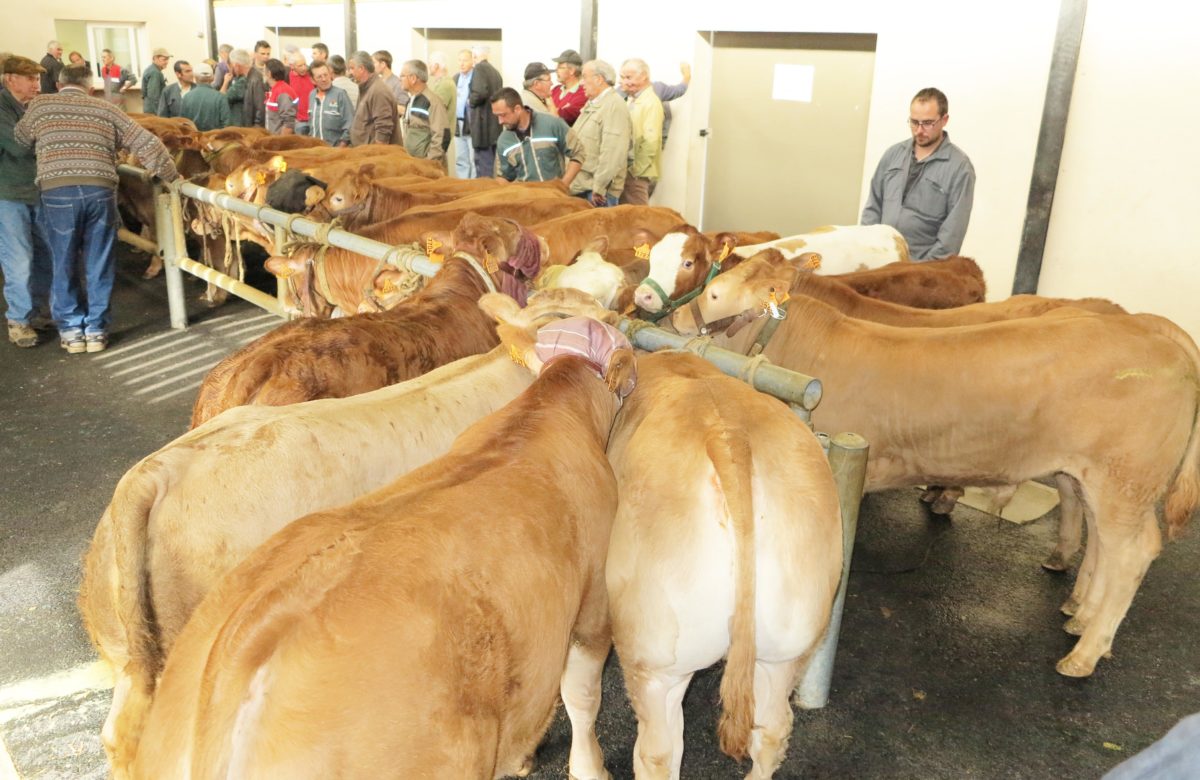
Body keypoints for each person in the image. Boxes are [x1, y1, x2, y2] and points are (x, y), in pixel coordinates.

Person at [15, 63, 179, 354]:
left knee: (62, 260)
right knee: (99, 261)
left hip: (57, 192)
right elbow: (149, 144)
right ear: (90, 89)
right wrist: (173, 179)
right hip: (99, 191)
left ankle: (71, 332)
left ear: (59, 85)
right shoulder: (106, 109)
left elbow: (20, 139)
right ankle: (96, 331)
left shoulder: (41, 105)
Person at [861, 87, 975, 260]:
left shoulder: (960, 167)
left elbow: (953, 234)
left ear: (944, 120)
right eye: (914, 122)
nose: (919, 131)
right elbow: (873, 207)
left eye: (928, 123)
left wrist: (923, 270)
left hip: (921, 268)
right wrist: (868, 249)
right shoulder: (893, 155)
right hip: (881, 262)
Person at [0, 55, 52, 349]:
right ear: (11, 79)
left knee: (46, 254)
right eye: (30, 78)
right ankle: (18, 320)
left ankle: (40, 312)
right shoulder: (2, 108)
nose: (37, 85)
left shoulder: (28, 108)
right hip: (9, 195)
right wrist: (46, 139)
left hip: (36, 191)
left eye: (37, 79)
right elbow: (18, 145)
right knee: (18, 259)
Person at [569, 59, 631, 208]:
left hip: (597, 194)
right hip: (582, 187)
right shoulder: (594, 104)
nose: (581, 83)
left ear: (598, 79)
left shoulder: (614, 106)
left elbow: (612, 152)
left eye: (584, 77)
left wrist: (599, 187)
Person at [491, 87, 581, 186]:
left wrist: (563, 185)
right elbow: (503, 176)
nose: (500, 121)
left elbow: (578, 153)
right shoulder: (503, 140)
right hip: (525, 195)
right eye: (497, 116)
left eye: (503, 115)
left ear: (517, 109)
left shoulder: (553, 124)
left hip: (554, 193)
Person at [618, 58, 663, 206]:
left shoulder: (651, 102)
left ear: (644, 76)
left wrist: (635, 171)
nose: (623, 81)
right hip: (629, 170)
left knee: (638, 215)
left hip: (637, 174)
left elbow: (651, 141)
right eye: (622, 77)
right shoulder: (631, 99)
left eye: (628, 77)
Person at [398, 60, 449, 162]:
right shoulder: (411, 100)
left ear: (413, 78)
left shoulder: (433, 102)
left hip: (428, 167)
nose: (399, 79)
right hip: (413, 164)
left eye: (402, 75)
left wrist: (429, 162)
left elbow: (443, 136)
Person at [348, 51, 399, 146]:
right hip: (364, 151)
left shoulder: (378, 91)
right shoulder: (366, 88)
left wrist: (376, 153)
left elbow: (383, 129)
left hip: (375, 153)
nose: (350, 72)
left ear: (361, 69)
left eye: (352, 68)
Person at [466, 45, 503, 177]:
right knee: (491, 166)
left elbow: (480, 93)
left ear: (475, 56)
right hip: (494, 127)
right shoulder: (496, 72)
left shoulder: (479, 69)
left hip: (482, 128)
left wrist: (470, 101)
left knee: (483, 170)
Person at [307, 61, 351, 146]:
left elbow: (350, 125)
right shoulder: (312, 95)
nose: (324, 79)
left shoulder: (340, 94)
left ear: (330, 75)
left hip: (334, 149)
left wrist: (340, 148)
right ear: (312, 80)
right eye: (319, 77)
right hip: (315, 149)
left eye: (326, 75)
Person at [180, 61, 229, 131]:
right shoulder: (220, 97)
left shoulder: (187, 97)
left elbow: (183, 124)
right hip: (214, 137)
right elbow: (226, 124)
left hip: (194, 137)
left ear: (195, 77)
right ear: (212, 78)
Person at [453, 49, 475, 178]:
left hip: (471, 124)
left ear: (472, 61)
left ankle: (473, 185)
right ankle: (463, 184)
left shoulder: (476, 78)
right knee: (460, 159)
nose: (462, 63)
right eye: (459, 60)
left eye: (465, 60)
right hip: (457, 123)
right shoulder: (455, 78)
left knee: (473, 159)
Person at [551, 49, 586, 126]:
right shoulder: (555, 90)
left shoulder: (583, 93)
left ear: (572, 71)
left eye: (560, 67)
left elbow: (565, 115)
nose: (556, 70)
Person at [263, 58, 297, 135]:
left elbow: (288, 124)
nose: (262, 74)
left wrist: (281, 140)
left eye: (263, 71)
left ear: (269, 73)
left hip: (279, 140)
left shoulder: (282, 92)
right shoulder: (275, 89)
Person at [372, 50, 409, 118]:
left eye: (374, 63)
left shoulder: (398, 83)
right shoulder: (376, 82)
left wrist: (383, 104)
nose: (372, 66)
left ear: (383, 64)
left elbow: (404, 110)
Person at [287, 51, 315, 135]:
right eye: (300, 66)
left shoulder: (311, 75)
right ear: (292, 66)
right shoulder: (287, 78)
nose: (304, 68)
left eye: (304, 64)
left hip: (312, 119)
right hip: (299, 121)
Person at [141, 48, 170, 114]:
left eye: (168, 59)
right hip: (154, 111)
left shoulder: (151, 69)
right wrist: (159, 114)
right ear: (155, 58)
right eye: (164, 59)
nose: (167, 62)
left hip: (150, 109)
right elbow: (153, 97)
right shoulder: (155, 72)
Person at [242, 49, 267, 127]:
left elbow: (260, 105)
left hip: (255, 126)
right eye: (263, 53)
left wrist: (257, 125)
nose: (266, 56)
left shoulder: (255, 79)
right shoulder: (248, 77)